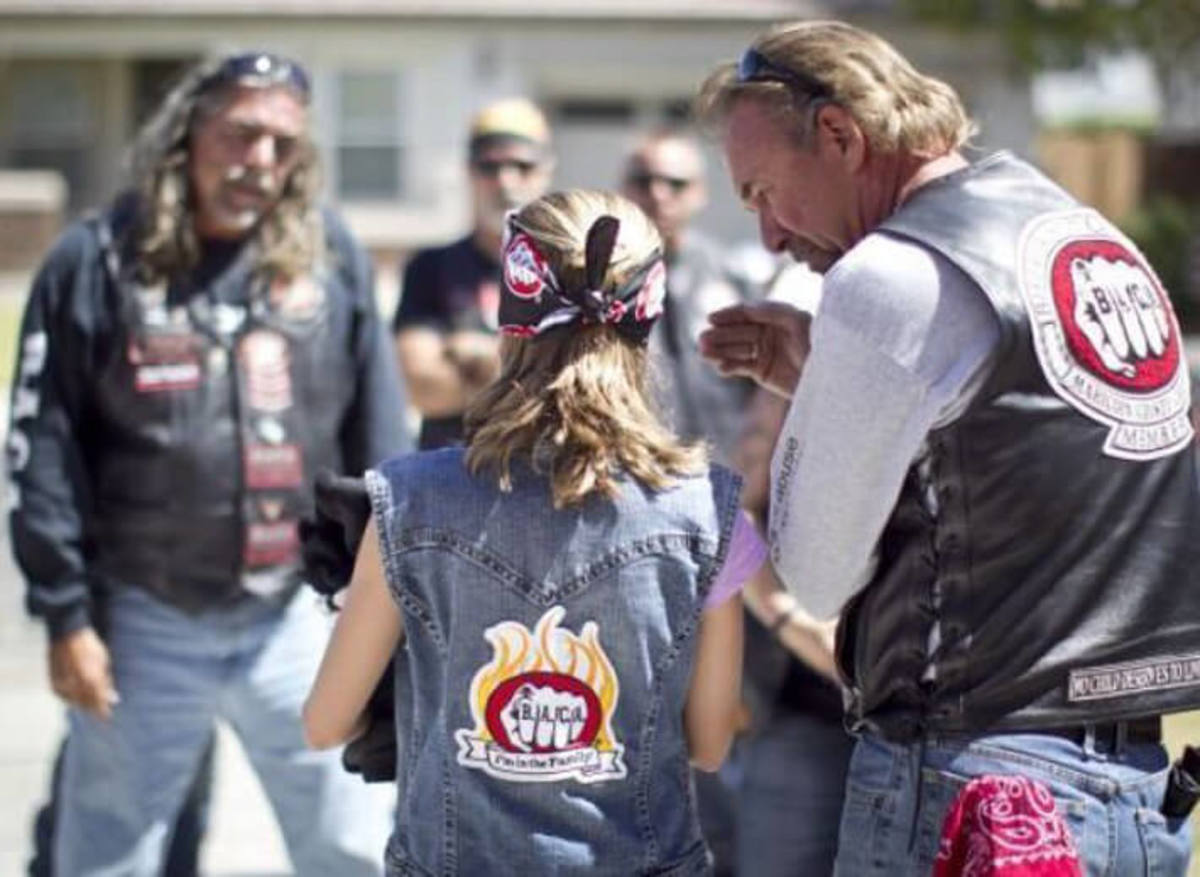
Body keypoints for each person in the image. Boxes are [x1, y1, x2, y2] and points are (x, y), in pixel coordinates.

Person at [697, 19, 1200, 876]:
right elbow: (1021, 449)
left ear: (839, 135)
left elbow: (815, 571)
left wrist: (823, 395)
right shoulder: (1092, 239)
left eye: (761, 192)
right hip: (1139, 794)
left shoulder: (886, 276)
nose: (771, 236)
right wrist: (830, 368)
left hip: (976, 792)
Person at [7, 51, 409, 875]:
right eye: (240, 134)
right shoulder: (96, 259)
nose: (260, 161)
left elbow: (380, 443)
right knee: (109, 856)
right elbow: (40, 446)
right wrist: (66, 612)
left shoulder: (330, 256)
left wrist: (380, 605)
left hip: (295, 617)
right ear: (187, 134)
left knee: (355, 847)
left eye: (282, 146)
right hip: (143, 619)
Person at [304, 189, 758, 876]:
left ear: (509, 315)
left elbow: (324, 722)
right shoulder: (710, 511)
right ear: (647, 316)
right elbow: (711, 743)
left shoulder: (410, 500)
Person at [392, 97, 553, 450]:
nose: (505, 180)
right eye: (489, 167)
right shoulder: (431, 267)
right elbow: (423, 388)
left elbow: (584, 385)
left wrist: (476, 357)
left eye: (522, 166)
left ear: (546, 173)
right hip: (452, 473)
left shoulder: (568, 269)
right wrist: (533, 364)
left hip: (543, 478)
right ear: (469, 172)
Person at [621, 129, 755, 461]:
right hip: (636, 476)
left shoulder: (731, 276)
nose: (658, 194)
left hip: (725, 477)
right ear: (624, 188)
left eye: (675, 184)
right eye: (644, 181)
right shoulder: (600, 282)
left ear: (700, 193)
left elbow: (764, 392)